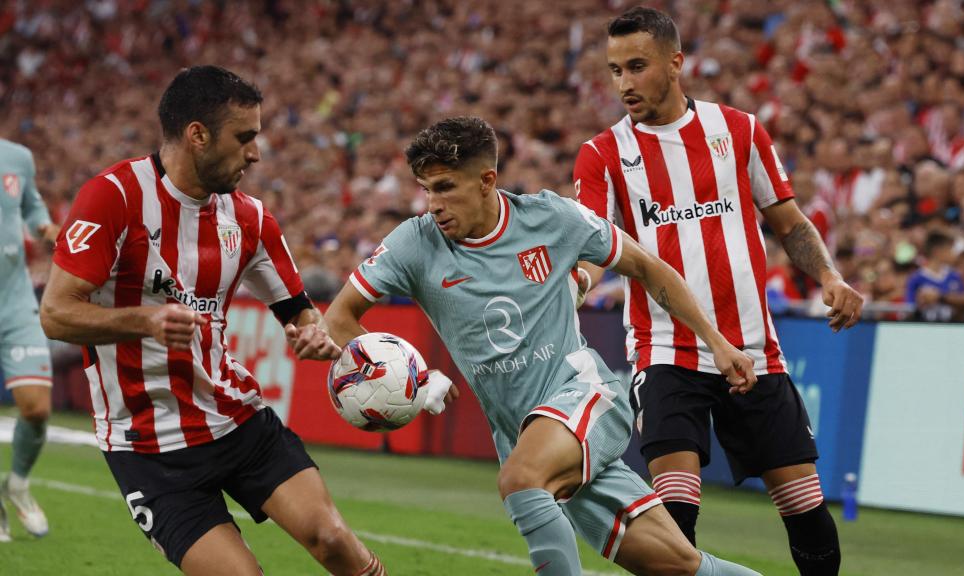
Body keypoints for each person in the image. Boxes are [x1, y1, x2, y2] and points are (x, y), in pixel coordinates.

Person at [324, 116, 762, 576]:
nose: (433, 204)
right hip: (522, 434)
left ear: (487, 180)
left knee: (520, 480)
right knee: (679, 565)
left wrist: (718, 345)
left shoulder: (551, 218)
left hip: (583, 395)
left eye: (446, 187)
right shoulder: (415, 243)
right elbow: (339, 319)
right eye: (427, 189)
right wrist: (416, 379)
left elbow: (649, 267)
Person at [39, 66, 385, 576]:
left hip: (237, 421)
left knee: (333, 539)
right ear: (197, 135)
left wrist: (311, 331)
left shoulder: (251, 219)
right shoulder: (114, 196)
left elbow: (298, 309)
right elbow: (55, 312)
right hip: (147, 446)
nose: (256, 153)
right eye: (244, 137)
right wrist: (145, 321)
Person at [572, 7, 865, 576]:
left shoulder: (739, 130)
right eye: (614, 71)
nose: (625, 83)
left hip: (755, 347)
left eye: (637, 66)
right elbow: (591, 249)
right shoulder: (603, 154)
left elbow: (790, 223)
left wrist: (829, 276)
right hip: (664, 351)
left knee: (805, 508)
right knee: (676, 518)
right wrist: (576, 285)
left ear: (675, 63)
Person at [0, 138, 61, 542]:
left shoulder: (18, 156)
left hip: (15, 302)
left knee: (36, 408)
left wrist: (44, 226)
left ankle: (17, 483)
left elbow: (31, 206)